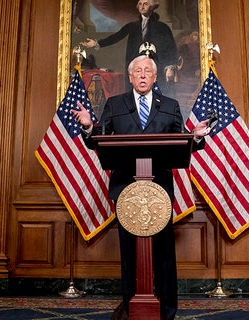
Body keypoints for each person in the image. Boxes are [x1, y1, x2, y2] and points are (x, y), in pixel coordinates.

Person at [71, 55, 209, 320]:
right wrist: (89, 126)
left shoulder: (170, 106)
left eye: (148, 71)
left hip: (159, 191)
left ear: (155, 77)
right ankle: (132, 305)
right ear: (131, 77)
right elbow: (99, 142)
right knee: (130, 252)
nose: (143, 75)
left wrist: (196, 138)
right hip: (126, 191)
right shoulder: (114, 104)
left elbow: (180, 144)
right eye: (138, 71)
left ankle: (167, 308)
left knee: (164, 252)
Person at [81, 0, 178, 96]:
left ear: (152, 7)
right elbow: (116, 37)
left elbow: (171, 48)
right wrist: (97, 43)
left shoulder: (163, 28)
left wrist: (170, 67)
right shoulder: (132, 26)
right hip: (136, 67)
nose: (142, 6)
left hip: (156, 68)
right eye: (140, 4)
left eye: (146, 4)